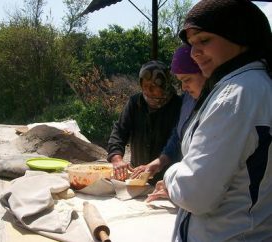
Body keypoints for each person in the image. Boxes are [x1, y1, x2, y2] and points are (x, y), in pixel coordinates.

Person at [147, 0, 272, 241]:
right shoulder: (257, 85)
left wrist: (171, 172)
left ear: (239, 35)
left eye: (204, 40)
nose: (194, 53)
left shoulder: (235, 96)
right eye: (191, 44)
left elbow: (196, 193)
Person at [130, 45, 206, 179]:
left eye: (187, 79)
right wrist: (160, 161)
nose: (183, 87)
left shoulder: (217, 103)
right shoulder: (188, 99)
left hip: (191, 180)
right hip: (175, 180)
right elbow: (178, 135)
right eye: (180, 81)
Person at [107, 60, 182, 185]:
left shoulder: (178, 106)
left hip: (168, 180)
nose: (148, 90)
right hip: (138, 177)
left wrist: (159, 163)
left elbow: (178, 142)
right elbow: (119, 132)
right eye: (145, 86)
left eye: (154, 86)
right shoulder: (135, 103)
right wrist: (117, 158)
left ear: (165, 85)